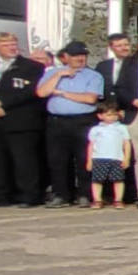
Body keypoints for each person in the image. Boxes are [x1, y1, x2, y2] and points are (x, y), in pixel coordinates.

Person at [0, 31, 48, 207]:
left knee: (24, 160)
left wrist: (1, 104)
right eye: (5, 45)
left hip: (19, 120)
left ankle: (29, 196)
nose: (11, 48)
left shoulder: (32, 67)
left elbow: (31, 91)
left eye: (13, 44)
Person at [38, 41, 104, 208]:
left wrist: (61, 93)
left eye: (83, 55)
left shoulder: (93, 76)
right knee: (57, 160)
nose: (80, 58)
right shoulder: (52, 73)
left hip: (83, 121)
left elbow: (90, 98)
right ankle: (61, 194)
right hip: (57, 121)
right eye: (75, 55)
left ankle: (84, 194)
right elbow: (42, 92)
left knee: (84, 158)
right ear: (65, 57)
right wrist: (59, 75)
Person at [85, 98, 131, 208]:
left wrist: (126, 158)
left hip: (117, 158)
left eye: (114, 114)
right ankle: (97, 200)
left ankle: (118, 200)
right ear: (100, 116)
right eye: (109, 115)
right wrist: (89, 160)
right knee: (97, 180)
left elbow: (127, 143)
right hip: (99, 158)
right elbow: (91, 145)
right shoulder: (96, 129)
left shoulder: (122, 128)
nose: (112, 117)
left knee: (118, 180)